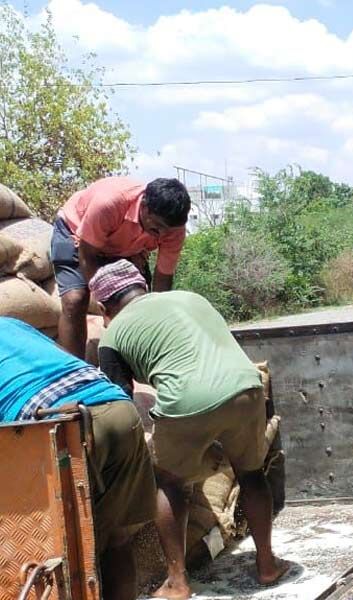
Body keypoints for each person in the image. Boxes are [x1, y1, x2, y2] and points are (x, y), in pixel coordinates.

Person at [91, 260, 287, 599]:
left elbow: (119, 400)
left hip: (187, 401)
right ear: (142, 285)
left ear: (104, 306)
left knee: (170, 483)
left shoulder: (113, 334)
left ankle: (177, 582)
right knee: (252, 474)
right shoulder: (191, 298)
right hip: (246, 385)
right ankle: (267, 565)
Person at [0, 316, 156, 600]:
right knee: (117, 541)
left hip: (59, 427)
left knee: (71, 550)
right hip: (118, 408)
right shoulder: (10, 324)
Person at [50, 176, 191, 358]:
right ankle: (72, 370)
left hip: (124, 247)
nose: (163, 234)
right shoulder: (109, 203)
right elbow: (87, 255)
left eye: (168, 230)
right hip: (78, 236)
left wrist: (158, 316)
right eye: (158, 228)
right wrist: (108, 304)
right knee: (75, 301)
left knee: (137, 304)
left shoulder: (174, 229)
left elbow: (163, 278)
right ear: (145, 207)